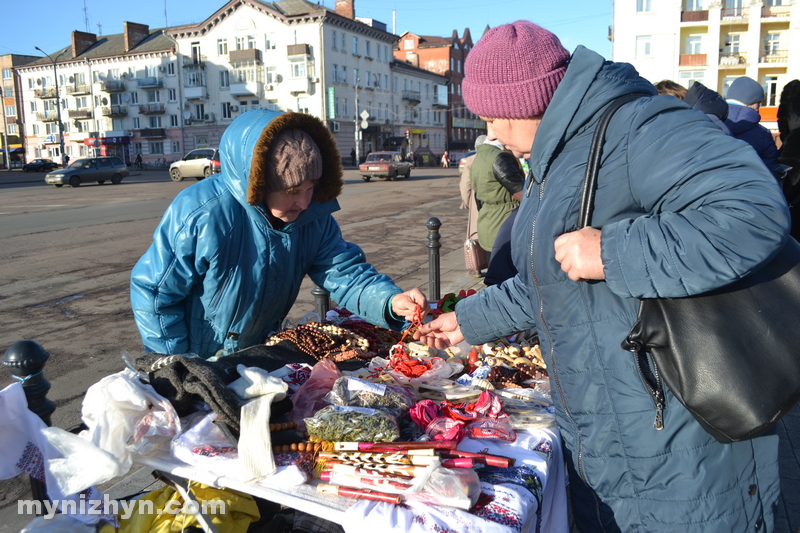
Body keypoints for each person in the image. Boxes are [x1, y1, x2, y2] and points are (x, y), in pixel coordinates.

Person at [415, 20, 787, 532]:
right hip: (603, 442)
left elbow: (752, 213)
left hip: (680, 444)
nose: (493, 133)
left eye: (495, 117)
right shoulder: (553, 158)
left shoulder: (640, 126)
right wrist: (468, 319)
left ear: (532, 98)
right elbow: (553, 277)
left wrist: (612, 252)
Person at [131, 110, 429, 359]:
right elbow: (155, 293)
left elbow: (345, 274)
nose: (304, 202)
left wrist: (390, 301)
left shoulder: (313, 217)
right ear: (258, 185)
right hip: (201, 358)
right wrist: (177, 366)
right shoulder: (203, 212)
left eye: (310, 188)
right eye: (291, 192)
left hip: (259, 354)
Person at [470, 138, 523, 269]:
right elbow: (520, 192)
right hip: (505, 222)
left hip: (488, 223)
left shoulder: (479, 157)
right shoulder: (500, 157)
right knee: (508, 276)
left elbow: (478, 197)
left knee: (495, 275)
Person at [725, 75, 781, 173]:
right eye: (759, 102)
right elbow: (769, 172)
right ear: (754, 103)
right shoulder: (762, 134)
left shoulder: (710, 124)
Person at [459, 136, 485, 277]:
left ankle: (476, 267)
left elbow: (465, 185)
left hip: (477, 202)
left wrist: (468, 202)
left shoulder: (471, 160)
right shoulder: (500, 156)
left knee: (475, 234)